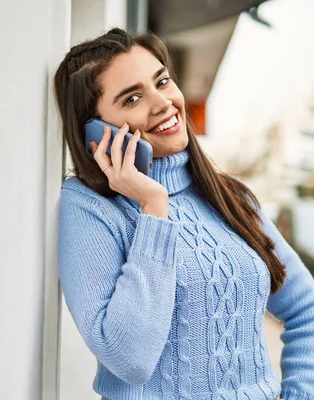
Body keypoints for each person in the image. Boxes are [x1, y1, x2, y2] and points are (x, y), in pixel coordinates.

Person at [55, 27, 314, 400]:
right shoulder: (89, 208)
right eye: (132, 99)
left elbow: (305, 308)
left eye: (162, 81)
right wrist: (153, 208)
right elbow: (130, 359)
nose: (162, 103)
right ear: (96, 132)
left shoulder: (230, 196)